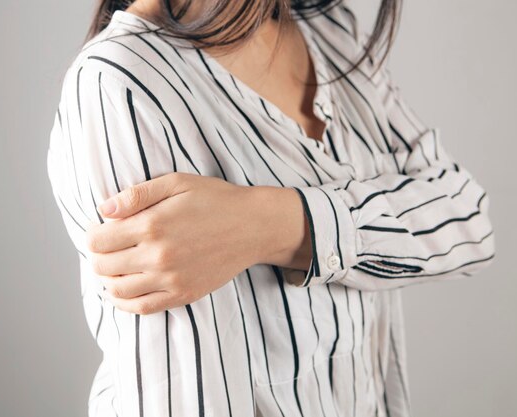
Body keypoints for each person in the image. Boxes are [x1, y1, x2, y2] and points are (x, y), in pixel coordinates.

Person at [46, 0, 496, 416]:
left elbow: (469, 223)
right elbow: (186, 396)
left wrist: (276, 224)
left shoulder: (330, 29)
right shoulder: (123, 82)